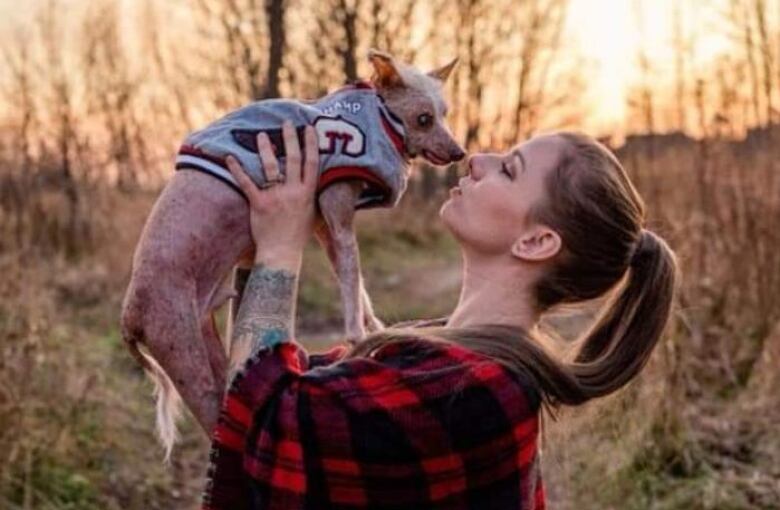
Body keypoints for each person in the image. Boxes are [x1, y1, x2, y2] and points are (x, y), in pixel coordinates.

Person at [201, 122, 678, 510]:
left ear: (535, 242)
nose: (478, 159)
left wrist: (280, 249)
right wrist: (257, 251)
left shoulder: (475, 392)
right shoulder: (445, 351)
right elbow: (270, 384)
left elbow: (270, 416)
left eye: (509, 170)